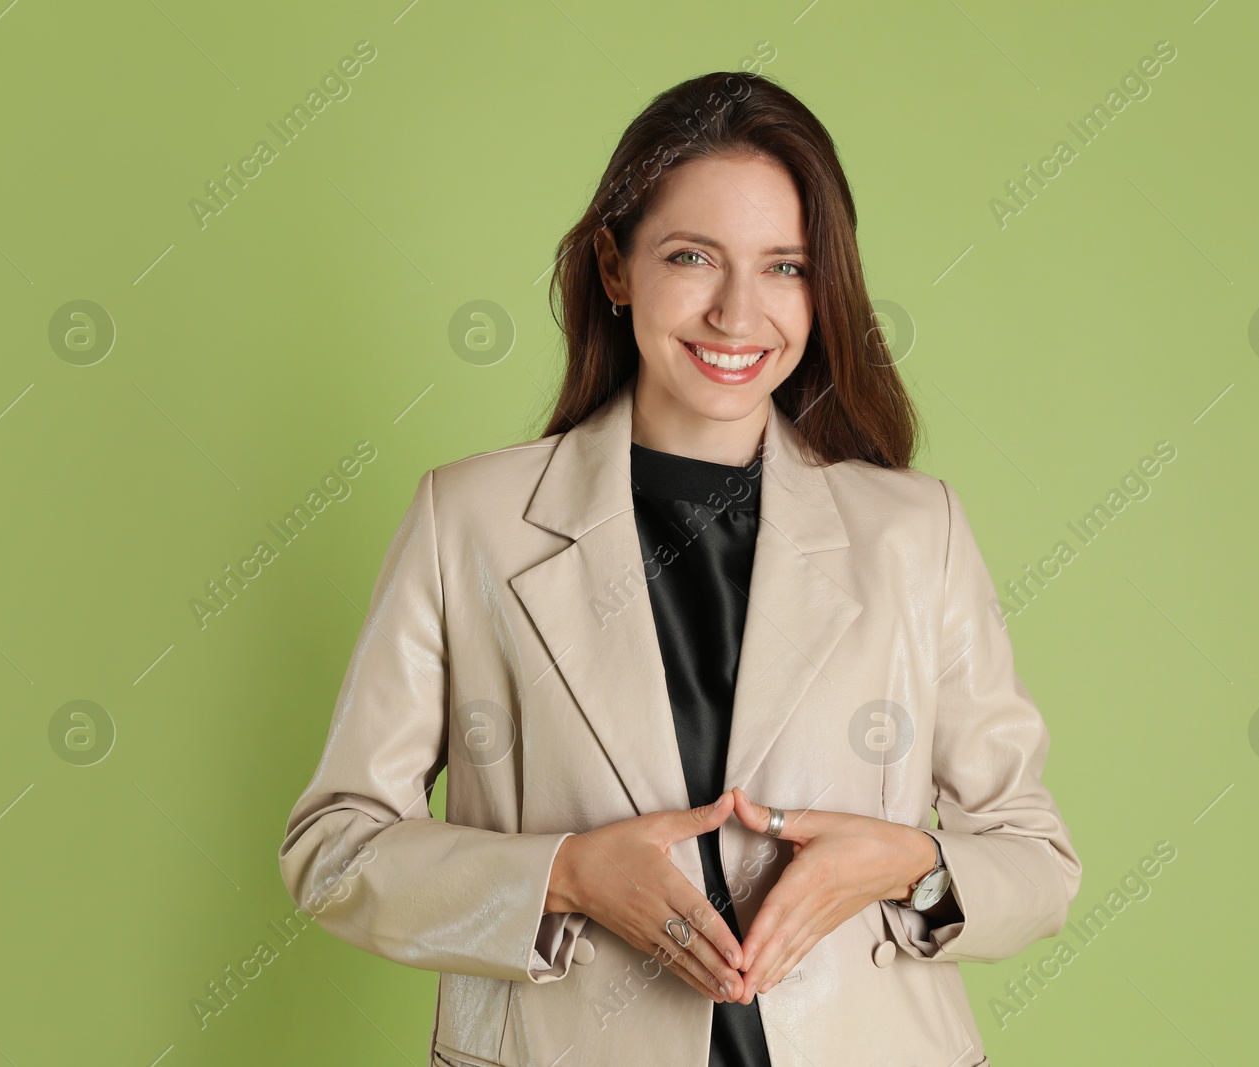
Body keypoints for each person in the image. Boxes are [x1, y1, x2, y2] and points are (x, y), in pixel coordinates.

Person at [278, 70, 1081, 1067]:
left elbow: (1036, 860)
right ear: (615, 269)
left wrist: (905, 863)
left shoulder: (915, 531)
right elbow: (335, 846)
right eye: (692, 256)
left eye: (784, 266)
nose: (737, 312)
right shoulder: (469, 521)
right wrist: (562, 875)